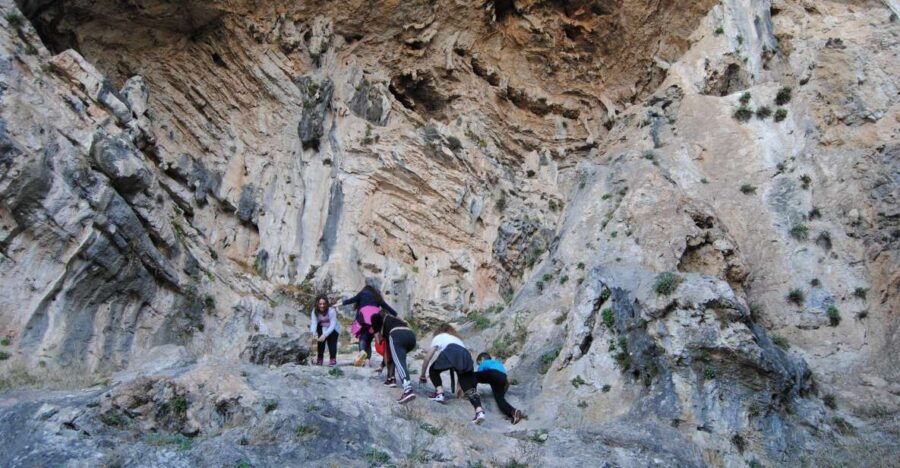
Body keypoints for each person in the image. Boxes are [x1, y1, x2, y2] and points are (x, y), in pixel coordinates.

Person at [419, 324, 486, 424]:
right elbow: (459, 369)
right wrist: (460, 386)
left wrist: (423, 375)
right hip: (466, 355)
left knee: (433, 370)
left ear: (439, 331)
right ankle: (479, 412)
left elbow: (427, 357)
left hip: (451, 351)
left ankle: (439, 393)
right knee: (469, 388)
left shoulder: (439, 337)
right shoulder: (458, 340)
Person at [343, 284, 398, 367]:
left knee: (363, 339)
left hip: (363, 321)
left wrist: (341, 303)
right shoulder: (377, 297)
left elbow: (351, 300)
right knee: (368, 341)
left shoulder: (362, 294)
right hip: (374, 322)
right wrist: (398, 316)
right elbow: (388, 308)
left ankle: (362, 352)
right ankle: (367, 362)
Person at [371, 311, 416, 404]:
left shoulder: (375, 318)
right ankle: (391, 379)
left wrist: (378, 336)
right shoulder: (392, 320)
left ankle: (408, 390)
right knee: (397, 357)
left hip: (397, 335)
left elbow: (378, 340)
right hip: (411, 336)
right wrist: (383, 365)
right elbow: (388, 354)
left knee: (399, 362)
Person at [476, 352, 525, 424]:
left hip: (493, 374)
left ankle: (470, 392)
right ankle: (514, 412)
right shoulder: (497, 363)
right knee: (500, 399)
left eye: (479, 363)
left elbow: (480, 373)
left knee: (472, 376)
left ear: (482, 359)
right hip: (503, 377)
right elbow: (503, 380)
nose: (479, 365)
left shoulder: (485, 362)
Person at [309, 295, 340, 366]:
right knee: (320, 343)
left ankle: (333, 359)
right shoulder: (314, 311)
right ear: (317, 304)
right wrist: (312, 334)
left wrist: (325, 335)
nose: (322, 306)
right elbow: (314, 323)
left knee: (332, 343)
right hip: (322, 326)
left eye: (324, 304)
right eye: (320, 304)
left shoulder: (331, 310)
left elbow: (333, 324)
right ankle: (320, 359)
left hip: (333, 328)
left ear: (326, 304)